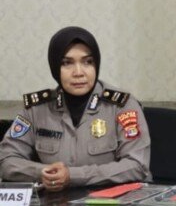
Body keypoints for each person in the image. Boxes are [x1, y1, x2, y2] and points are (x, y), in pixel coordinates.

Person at [0, 26, 150, 190]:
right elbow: (6, 160)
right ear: (54, 67)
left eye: (88, 62)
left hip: (111, 201)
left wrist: (73, 176)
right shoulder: (36, 109)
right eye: (67, 63)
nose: (78, 72)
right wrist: (42, 173)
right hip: (54, 202)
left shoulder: (122, 105)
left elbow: (137, 165)